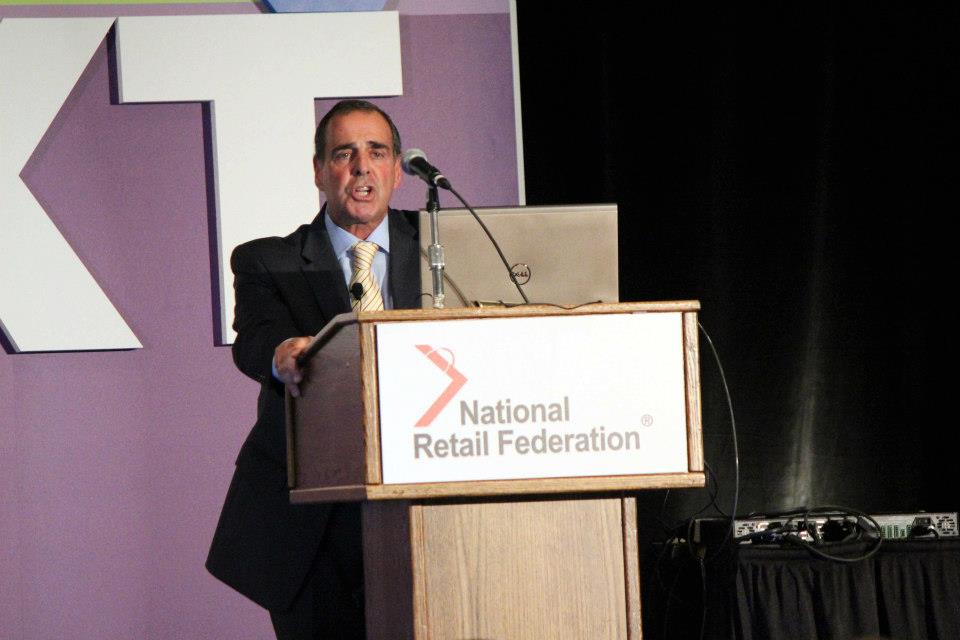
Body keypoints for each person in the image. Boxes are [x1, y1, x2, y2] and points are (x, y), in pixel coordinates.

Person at [206, 99, 421, 639]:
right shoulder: (268, 260)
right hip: (313, 523)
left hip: (426, 508)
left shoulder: (443, 248)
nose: (362, 167)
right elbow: (255, 340)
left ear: (397, 170)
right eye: (344, 154)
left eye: (377, 152)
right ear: (320, 172)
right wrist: (282, 354)